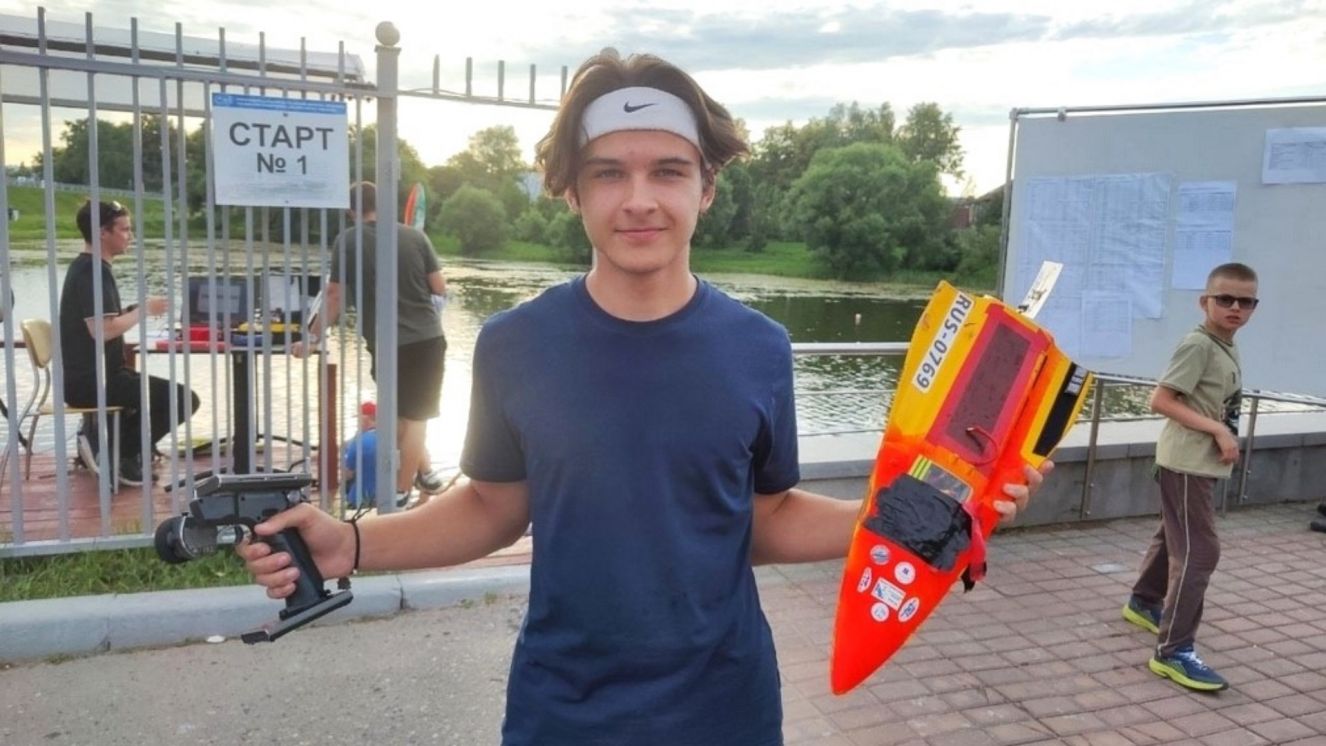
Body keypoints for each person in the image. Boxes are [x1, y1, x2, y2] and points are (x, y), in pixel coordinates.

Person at [240, 50, 1046, 744]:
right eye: (609, 174)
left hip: (725, 709)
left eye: (668, 171)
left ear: (707, 188)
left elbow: (761, 519)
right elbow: (491, 508)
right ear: (571, 192)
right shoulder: (515, 344)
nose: (638, 199)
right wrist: (351, 543)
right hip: (564, 713)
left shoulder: (759, 348)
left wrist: (914, 517)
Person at [1122, 262, 1259, 692]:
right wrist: (1218, 429)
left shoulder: (1225, 343)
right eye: (1225, 299)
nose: (1235, 308)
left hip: (1198, 462)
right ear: (1205, 302)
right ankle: (1173, 651)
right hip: (1186, 464)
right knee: (1200, 552)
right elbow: (1161, 400)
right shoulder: (1198, 345)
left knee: (1173, 534)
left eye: (1246, 302)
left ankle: (1143, 601)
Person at [291, 181, 449, 499]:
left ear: (350, 210)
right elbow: (439, 288)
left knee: (402, 416)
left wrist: (312, 337)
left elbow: (334, 295)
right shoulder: (415, 236)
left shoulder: (348, 241)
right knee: (412, 417)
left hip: (384, 344)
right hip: (426, 339)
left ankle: (403, 488)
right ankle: (419, 476)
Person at [60, 199, 200, 487]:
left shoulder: (90, 268)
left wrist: (131, 310)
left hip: (101, 376)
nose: (130, 236)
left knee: (166, 396)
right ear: (102, 232)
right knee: (183, 399)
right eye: (124, 229)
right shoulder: (92, 272)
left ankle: (113, 450)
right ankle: (118, 455)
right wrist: (144, 310)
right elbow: (102, 331)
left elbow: (103, 321)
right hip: (93, 381)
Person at [341, 400, 399, 511]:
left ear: (366, 419)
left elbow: (348, 474)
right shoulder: (393, 440)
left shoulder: (358, 442)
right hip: (387, 499)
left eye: (358, 419)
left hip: (359, 500)